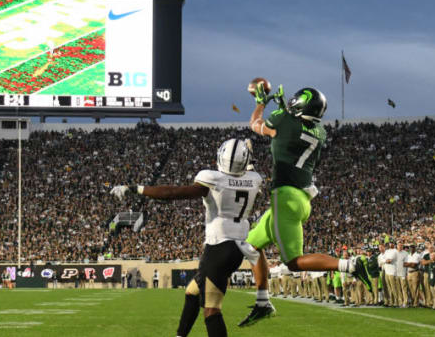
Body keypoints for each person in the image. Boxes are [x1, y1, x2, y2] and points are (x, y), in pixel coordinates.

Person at [111, 138, 263, 337]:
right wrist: (248, 163)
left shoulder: (212, 178)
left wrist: (136, 188)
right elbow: (245, 178)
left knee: (212, 310)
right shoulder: (255, 178)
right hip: (238, 247)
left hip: (218, 246)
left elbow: (173, 192)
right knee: (192, 292)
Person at [240, 84, 353, 327]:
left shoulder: (283, 119)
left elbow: (255, 124)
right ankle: (263, 302)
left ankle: (350, 264)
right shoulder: (320, 131)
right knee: (251, 245)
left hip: (286, 197)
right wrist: (284, 112)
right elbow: (293, 132)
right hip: (302, 197)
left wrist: (261, 102)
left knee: (293, 261)